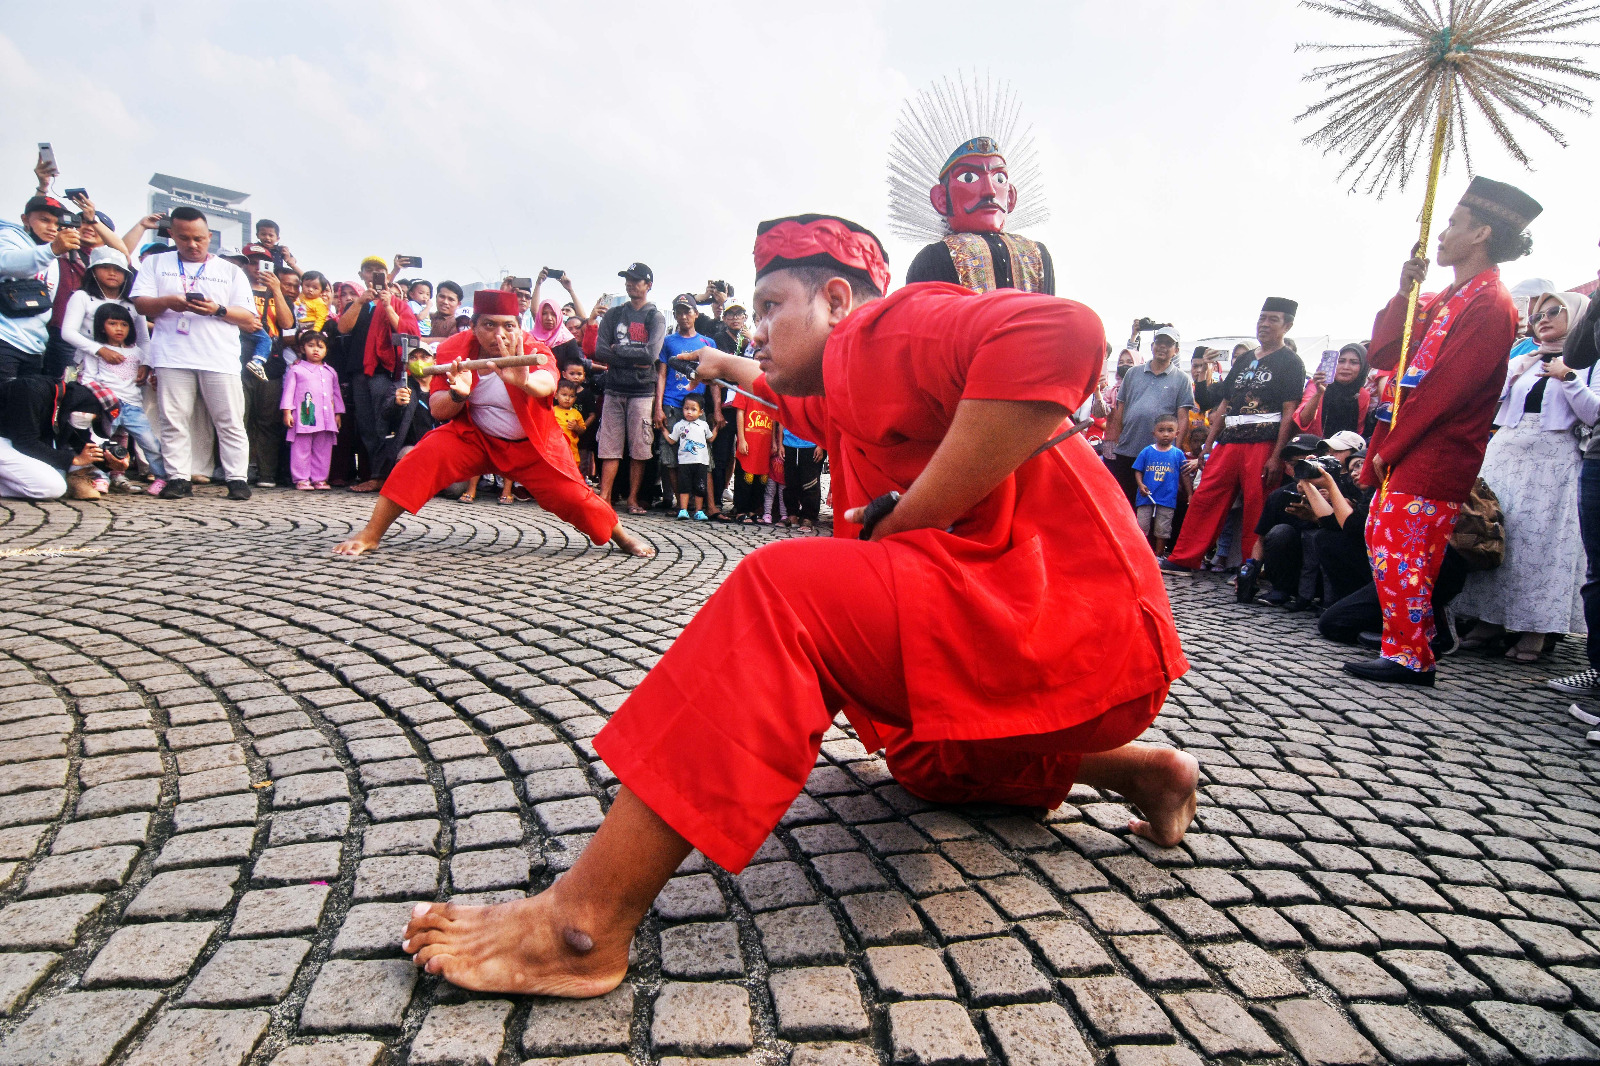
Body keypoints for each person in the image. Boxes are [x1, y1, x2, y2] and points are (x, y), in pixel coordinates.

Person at [398, 211, 1193, 1000]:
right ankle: (1143, 773)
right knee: (922, 761)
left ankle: (585, 925)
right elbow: (777, 391)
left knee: (781, 592)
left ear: (839, 300)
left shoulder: (884, 328)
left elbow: (1063, 333)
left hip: (1073, 623)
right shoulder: (844, 378)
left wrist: (909, 518)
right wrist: (722, 363)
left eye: (772, 305)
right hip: (1081, 659)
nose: (760, 328)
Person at [1343, 177, 1534, 685]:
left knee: (1403, 548)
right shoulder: (1451, 296)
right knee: (1385, 540)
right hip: (1412, 442)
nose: (1441, 235)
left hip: (1438, 448)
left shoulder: (1491, 303)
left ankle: (1411, 656)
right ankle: (1414, 642)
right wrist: (1404, 293)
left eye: (1453, 224)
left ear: (1482, 234)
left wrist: (1392, 447)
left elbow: (1447, 390)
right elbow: (1388, 353)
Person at [333, 290, 654, 559]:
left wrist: (524, 382)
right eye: (488, 325)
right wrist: (459, 395)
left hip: (531, 445)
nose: (499, 335)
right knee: (420, 459)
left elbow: (547, 384)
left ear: (518, 327)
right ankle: (372, 533)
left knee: (576, 497)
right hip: (475, 437)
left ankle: (622, 537)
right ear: (473, 326)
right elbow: (439, 409)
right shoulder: (454, 350)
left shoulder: (532, 348)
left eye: (508, 326)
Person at [1453, 289, 1596, 662]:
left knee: (1541, 546)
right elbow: (1488, 405)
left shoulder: (1589, 362)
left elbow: (1594, 414)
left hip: (1553, 462)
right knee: (1498, 534)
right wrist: (1509, 376)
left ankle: (1535, 629)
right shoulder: (1524, 360)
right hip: (1507, 456)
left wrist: (1568, 377)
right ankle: (1489, 620)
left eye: (1554, 311)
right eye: (1537, 315)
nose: (1543, 319)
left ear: (1577, 316)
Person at [1161, 299, 1305, 571]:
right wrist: (1208, 444)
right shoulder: (1246, 359)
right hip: (1229, 439)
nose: (1264, 324)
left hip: (1264, 440)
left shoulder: (1291, 362)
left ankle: (1252, 566)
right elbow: (1225, 404)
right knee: (1206, 496)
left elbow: (1290, 411)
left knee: (1257, 504)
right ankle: (1184, 558)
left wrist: (1277, 455)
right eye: (1262, 317)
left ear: (1287, 326)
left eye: (1273, 319)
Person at [128, 206, 261, 501]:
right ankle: (178, 478)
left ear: (209, 236)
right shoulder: (156, 263)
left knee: (229, 420)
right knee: (173, 419)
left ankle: (236, 478)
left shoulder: (230, 271)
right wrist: (167, 301)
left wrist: (218, 309)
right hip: (172, 354)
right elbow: (140, 304)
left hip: (219, 356)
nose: (192, 244)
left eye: (199, 238)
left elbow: (248, 317)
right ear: (172, 234)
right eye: (184, 238)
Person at [893, 81, 1055, 293]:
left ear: (1011, 196)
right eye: (969, 177)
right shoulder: (935, 258)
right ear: (941, 198)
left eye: (999, 178)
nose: (989, 191)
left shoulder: (1036, 255)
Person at [337, 255, 420, 492]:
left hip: (384, 371)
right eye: (369, 270)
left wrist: (388, 305)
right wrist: (360, 302)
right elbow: (343, 327)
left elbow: (409, 333)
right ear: (362, 275)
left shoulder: (397, 303)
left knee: (383, 423)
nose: (374, 274)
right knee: (366, 425)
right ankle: (375, 474)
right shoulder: (357, 302)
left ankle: (382, 475)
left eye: (379, 270)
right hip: (359, 370)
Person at [595, 263, 666, 515]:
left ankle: (633, 498)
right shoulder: (614, 314)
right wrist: (630, 357)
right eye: (628, 279)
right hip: (614, 388)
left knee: (640, 448)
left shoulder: (655, 317)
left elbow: (650, 355)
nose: (630, 284)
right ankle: (604, 496)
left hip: (642, 390)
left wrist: (619, 350)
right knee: (609, 446)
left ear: (648, 285)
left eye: (636, 280)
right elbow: (600, 350)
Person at [79, 302, 165, 496]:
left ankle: (162, 477)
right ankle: (100, 477)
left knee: (150, 442)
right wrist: (103, 398)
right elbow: (88, 379)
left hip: (133, 407)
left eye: (124, 324)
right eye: (113, 323)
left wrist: (150, 378)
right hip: (107, 406)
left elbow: (143, 377)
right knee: (101, 442)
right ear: (102, 326)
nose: (119, 329)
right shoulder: (97, 351)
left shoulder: (137, 353)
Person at [1103, 326, 1195, 506]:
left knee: (1154, 507)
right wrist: (1117, 441)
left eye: (1168, 343)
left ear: (1176, 350)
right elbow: (1121, 409)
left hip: (1160, 456)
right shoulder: (1132, 373)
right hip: (1127, 450)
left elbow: (1183, 418)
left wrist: (1174, 451)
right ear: (1152, 346)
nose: (1163, 346)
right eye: (1159, 342)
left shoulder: (1182, 379)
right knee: (1124, 503)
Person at [0, 195, 79, 382]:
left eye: (57, 223)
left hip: (34, 347)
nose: (52, 227)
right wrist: (52, 250)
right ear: (25, 219)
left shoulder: (53, 254)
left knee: (26, 400)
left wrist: (53, 251)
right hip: (5, 339)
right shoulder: (9, 237)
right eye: (44, 220)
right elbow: (7, 262)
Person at [0, 376, 119, 499]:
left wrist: (109, 463)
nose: (90, 423)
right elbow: (25, 442)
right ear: (87, 404)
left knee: (58, 476)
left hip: (10, 443)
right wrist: (74, 460)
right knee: (53, 487)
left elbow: (78, 442)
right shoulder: (32, 389)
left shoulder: (64, 403)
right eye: (95, 418)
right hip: (8, 441)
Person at [656, 294, 717, 512]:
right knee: (671, 456)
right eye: (679, 312)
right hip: (672, 404)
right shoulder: (668, 342)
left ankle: (710, 505)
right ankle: (682, 504)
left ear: (696, 314)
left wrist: (717, 410)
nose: (683, 316)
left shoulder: (707, 343)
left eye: (687, 311)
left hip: (697, 406)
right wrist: (658, 407)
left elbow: (714, 380)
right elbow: (662, 375)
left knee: (703, 456)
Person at [281, 331, 344, 491]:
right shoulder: (296, 370)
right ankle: (301, 478)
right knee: (301, 448)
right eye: (311, 346)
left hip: (326, 417)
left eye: (320, 347)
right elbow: (288, 392)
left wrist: (338, 414)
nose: (316, 350)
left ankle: (320, 478)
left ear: (326, 351)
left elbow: (336, 394)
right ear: (302, 348)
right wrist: (287, 411)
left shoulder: (331, 372)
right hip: (306, 414)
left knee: (323, 449)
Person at [1293, 343, 1370, 437]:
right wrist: (1319, 393)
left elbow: (1357, 433)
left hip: (1343, 445)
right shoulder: (1317, 384)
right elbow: (1303, 421)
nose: (1346, 367)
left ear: (1363, 367)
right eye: (1341, 361)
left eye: (1354, 362)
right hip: (1312, 443)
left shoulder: (1362, 395)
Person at [1133, 414, 1184, 555]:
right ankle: (1140, 553)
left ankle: (1159, 555)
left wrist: (1189, 493)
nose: (1165, 434)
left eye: (1170, 430)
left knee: (1163, 529)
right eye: (1161, 430)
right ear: (1154, 433)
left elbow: (1184, 474)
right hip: (1146, 496)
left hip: (1167, 498)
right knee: (1141, 526)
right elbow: (1138, 470)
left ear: (1177, 433)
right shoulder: (1147, 451)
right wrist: (1140, 485)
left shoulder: (1178, 454)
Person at [729, 386, 777, 523]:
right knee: (745, 477)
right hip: (749, 441)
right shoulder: (744, 386)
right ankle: (741, 510)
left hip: (764, 441)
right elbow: (740, 412)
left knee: (761, 478)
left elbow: (773, 417)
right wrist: (741, 439)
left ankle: (753, 510)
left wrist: (773, 441)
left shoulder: (770, 388)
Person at [663, 394, 714, 520]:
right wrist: (663, 429)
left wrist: (717, 428)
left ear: (701, 412)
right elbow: (672, 440)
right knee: (684, 487)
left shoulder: (703, 425)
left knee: (699, 488)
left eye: (693, 409)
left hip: (701, 462)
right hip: (684, 462)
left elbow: (710, 438)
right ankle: (683, 510)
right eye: (686, 409)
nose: (689, 412)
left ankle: (698, 511)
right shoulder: (679, 425)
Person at [781, 424, 824, 530]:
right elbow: (781, 420)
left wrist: (821, 445)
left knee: (810, 484)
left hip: (811, 444)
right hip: (789, 443)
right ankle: (792, 515)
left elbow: (821, 421)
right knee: (790, 482)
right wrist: (780, 444)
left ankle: (808, 517)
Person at [552, 380, 585, 465]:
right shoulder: (552, 411)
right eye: (564, 395)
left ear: (575, 399)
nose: (567, 398)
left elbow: (583, 430)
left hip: (572, 451)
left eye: (571, 396)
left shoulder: (576, 413)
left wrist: (576, 427)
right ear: (556, 395)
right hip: (555, 451)